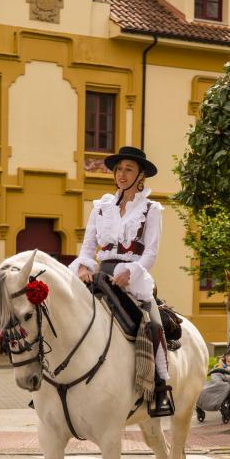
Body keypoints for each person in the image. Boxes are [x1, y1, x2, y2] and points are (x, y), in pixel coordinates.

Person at [68, 145, 173, 417]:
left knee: (152, 320)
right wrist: (82, 268)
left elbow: (151, 252)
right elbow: (88, 246)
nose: (122, 174)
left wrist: (132, 272)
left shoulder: (152, 209)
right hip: (101, 271)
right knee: (65, 311)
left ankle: (161, 385)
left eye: (129, 169)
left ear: (140, 176)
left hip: (132, 275)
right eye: (119, 169)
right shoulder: (101, 207)